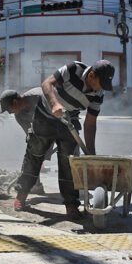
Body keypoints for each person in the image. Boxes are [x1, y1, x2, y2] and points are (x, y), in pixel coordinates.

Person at [13, 59, 115, 220]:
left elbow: (90, 124)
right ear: (92, 75)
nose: (100, 88)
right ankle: (22, 195)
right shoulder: (73, 69)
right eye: (100, 83)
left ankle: (71, 205)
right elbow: (46, 84)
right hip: (45, 116)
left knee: (69, 163)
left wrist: (91, 153)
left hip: (69, 121)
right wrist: (55, 104)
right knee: (35, 155)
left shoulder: (98, 95)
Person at [0, 87, 61, 195]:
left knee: (69, 154)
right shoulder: (19, 116)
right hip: (44, 131)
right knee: (33, 153)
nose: (9, 113)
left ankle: (77, 188)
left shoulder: (37, 97)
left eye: (9, 109)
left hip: (61, 119)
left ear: (15, 102)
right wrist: (41, 151)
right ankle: (35, 186)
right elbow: (32, 137)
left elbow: (57, 108)